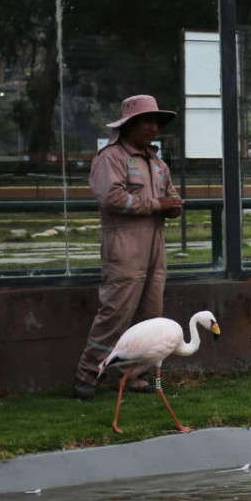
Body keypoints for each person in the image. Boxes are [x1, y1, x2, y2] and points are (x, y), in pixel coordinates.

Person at [73, 95, 184, 400]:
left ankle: (134, 378)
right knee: (114, 316)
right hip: (123, 250)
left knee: (150, 318)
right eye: (147, 121)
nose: (153, 127)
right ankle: (87, 375)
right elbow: (111, 197)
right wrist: (156, 204)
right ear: (129, 125)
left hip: (155, 251)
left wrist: (174, 207)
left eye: (157, 122)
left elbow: (170, 195)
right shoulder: (111, 158)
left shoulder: (158, 163)